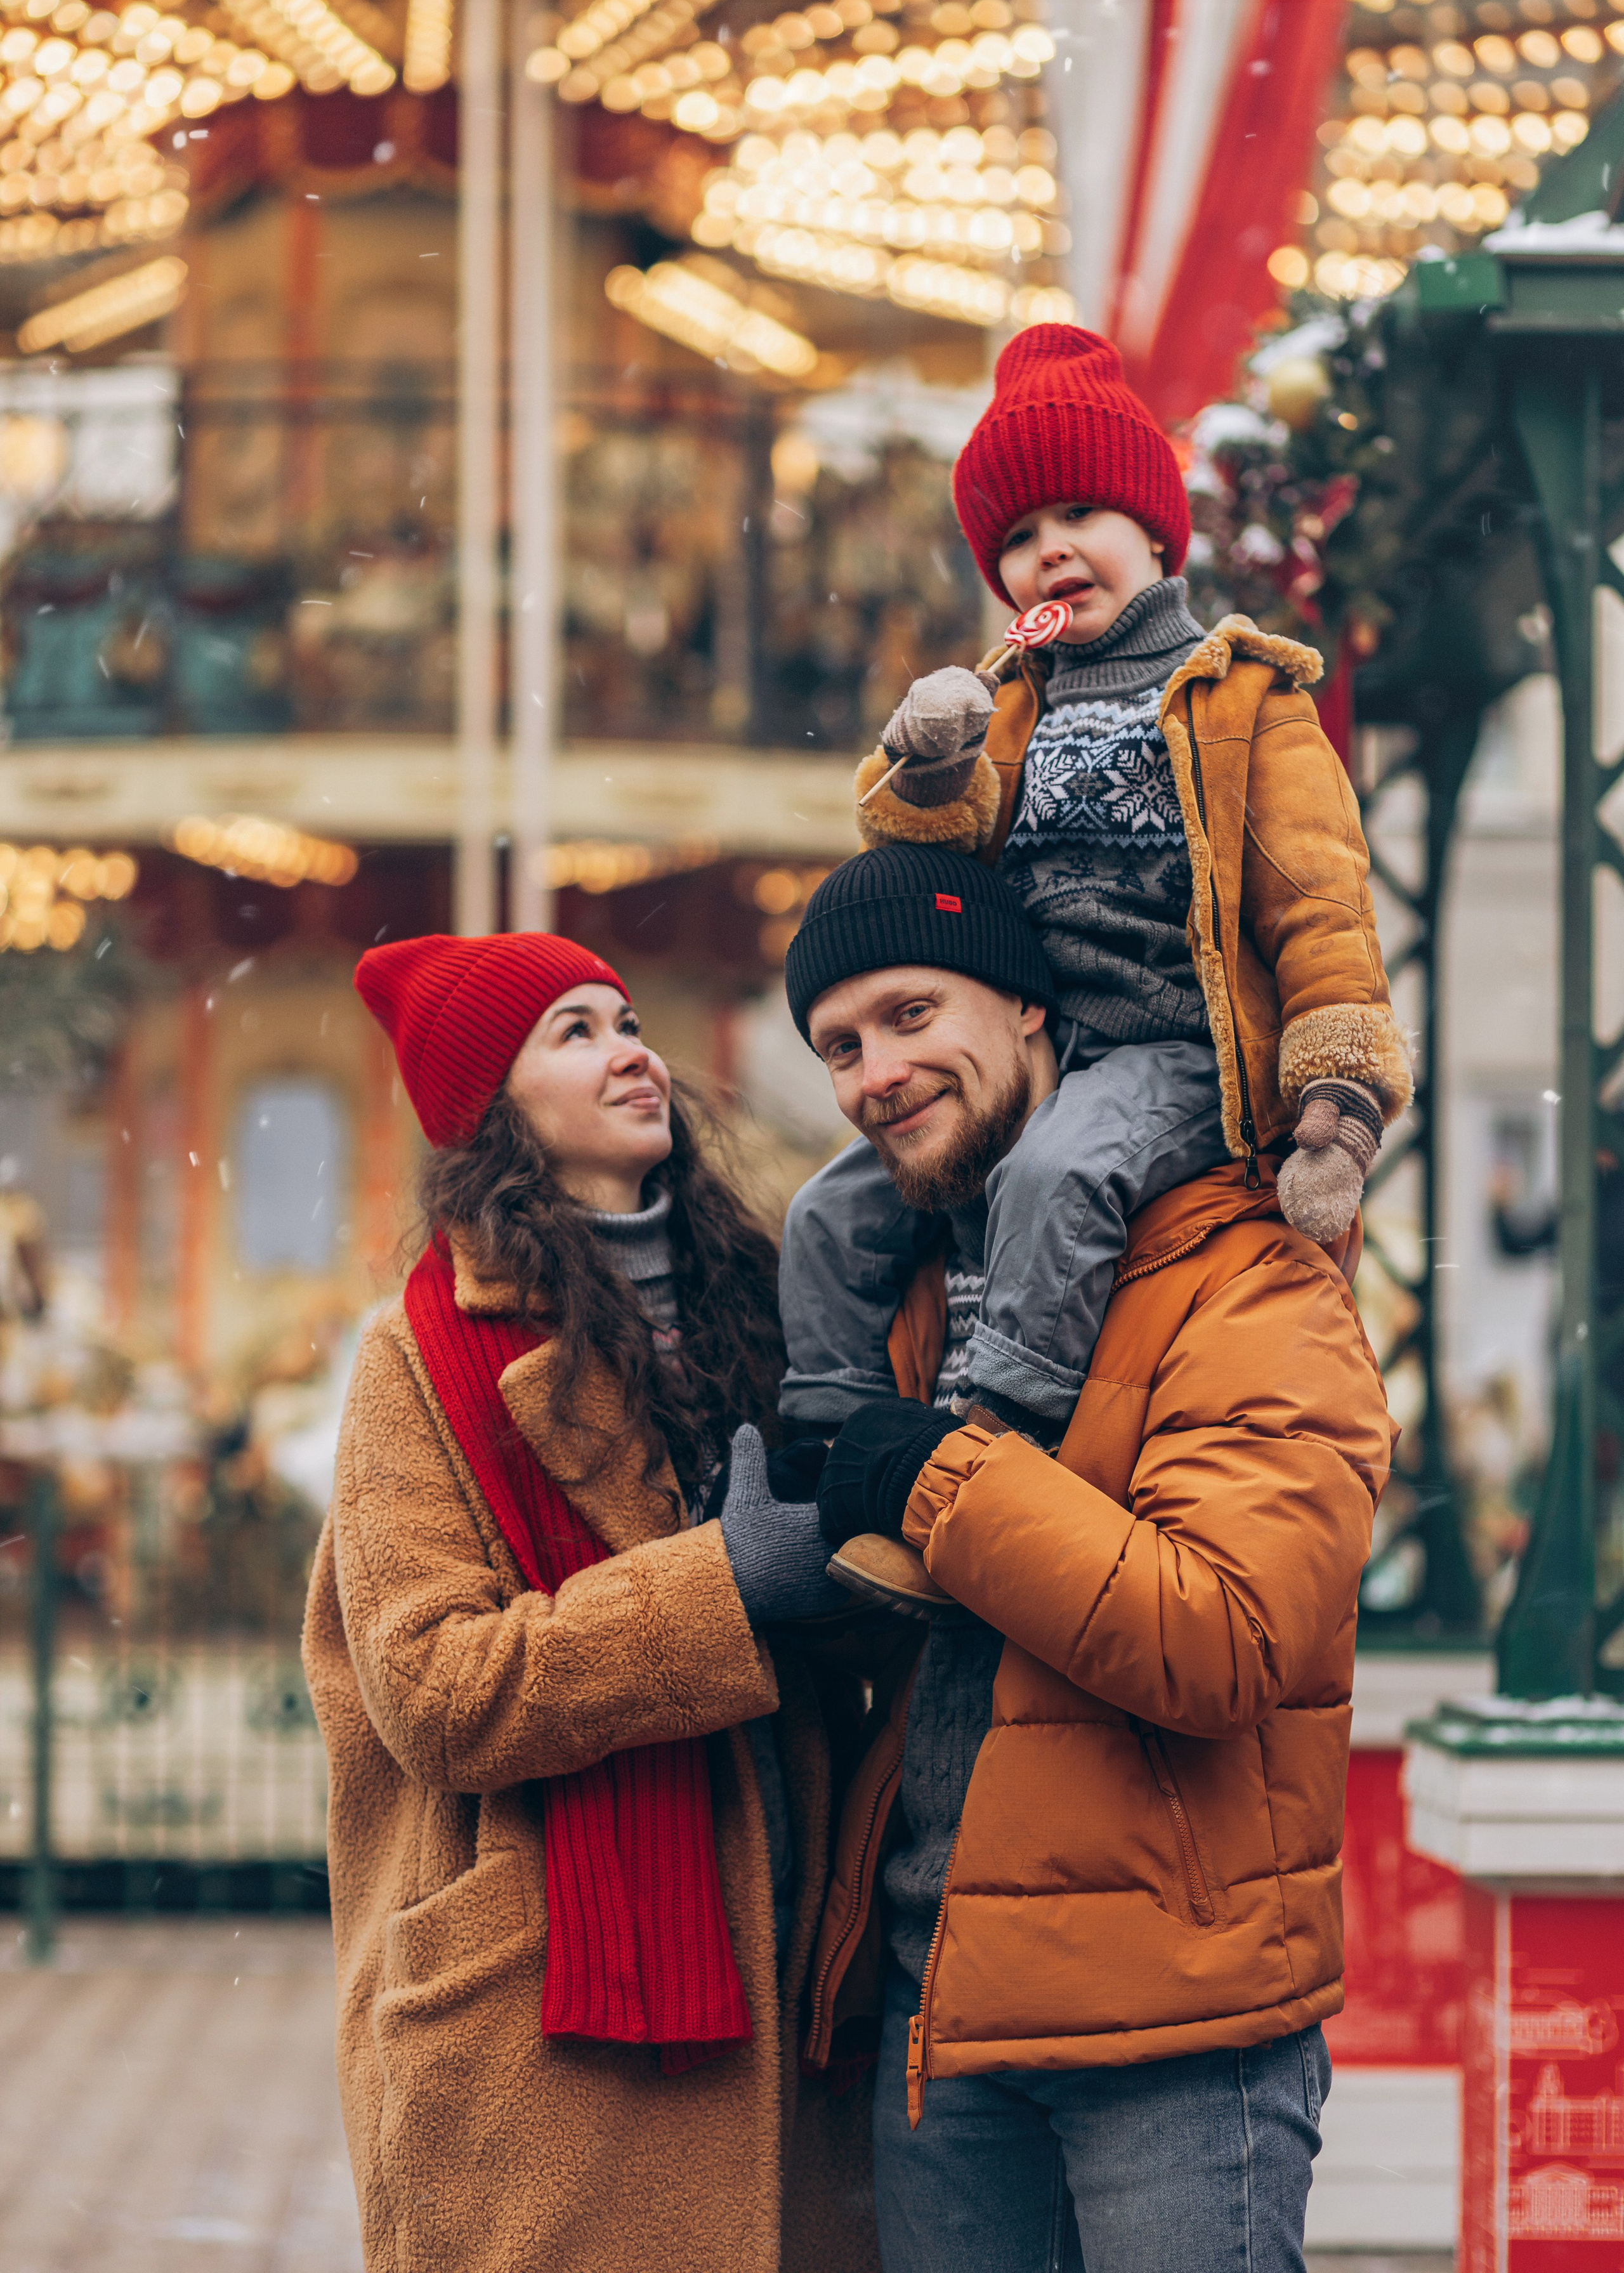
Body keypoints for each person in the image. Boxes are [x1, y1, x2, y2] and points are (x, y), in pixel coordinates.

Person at [728, 846, 1394, 2271]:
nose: (876, 1073)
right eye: (839, 1046)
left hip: (1172, 2031)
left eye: (912, 1015)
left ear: (1030, 1005)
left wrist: (935, 1478)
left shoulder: (1247, 1277)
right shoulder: (911, 1285)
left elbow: (1224, 1641)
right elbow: (928, 1637)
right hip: (940, 2005)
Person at [303, 930, 877, 2273]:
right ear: (492, 1106)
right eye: (574, 1032)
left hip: (788, 1939)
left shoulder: (765, 1298)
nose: (632, 1054)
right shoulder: (418, 1359)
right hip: (555, 2003)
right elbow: (436, 1692)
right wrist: (719, 1587)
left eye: (627, 1022)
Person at [778, 322, 1410, 1444]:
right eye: (1020, 537)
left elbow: (1318, 899)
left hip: (1179, 1046)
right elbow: (931, 863)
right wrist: (934, 767)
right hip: (1038, 1049)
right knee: (831, 1209)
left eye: (1081, 514)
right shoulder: (1009, 705)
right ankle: (825, 1432)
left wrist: (1341, 1090)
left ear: (1155, 530)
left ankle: (1006, 1424)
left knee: (1057, 1172)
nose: (1052, 551)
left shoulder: (1243, 698)